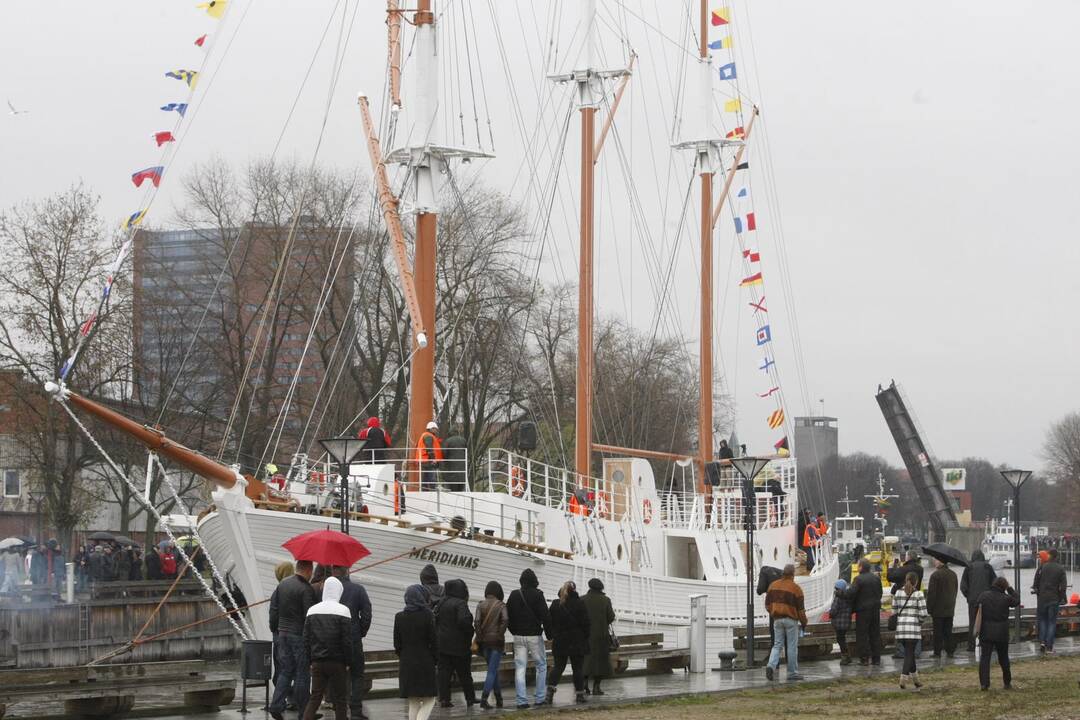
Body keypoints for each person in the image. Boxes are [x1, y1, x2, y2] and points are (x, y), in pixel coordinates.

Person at [268, 559, 316, 720]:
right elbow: (308, 617)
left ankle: (276, 705)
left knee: (285, 671)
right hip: (299, 635)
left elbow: (275, 611)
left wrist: (275, 629)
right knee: (303, 674)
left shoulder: (283, 585)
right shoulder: (306, 588)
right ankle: (305, 712)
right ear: (308, 570)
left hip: (282, 634)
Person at [302, 576, 352, 720]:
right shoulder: (344, 611)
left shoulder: (312, 610)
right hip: (338, 662)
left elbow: (306, 640)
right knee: (340, 699)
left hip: (317, 661)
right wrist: (348, 662)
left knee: (315, 697)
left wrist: (310, 661)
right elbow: (346, 641)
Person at [332, 566, 372, 720]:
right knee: (357, 675)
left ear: (333, 572)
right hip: (353, 638)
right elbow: (367, 612)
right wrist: (361, 631)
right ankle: (356, 709)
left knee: (337, 675)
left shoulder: (328, 591)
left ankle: (338, 708)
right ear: (347, 571)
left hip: (334, 640)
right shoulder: (358, 589)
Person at [506, 568, 550, 708]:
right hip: (534, 636)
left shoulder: (514, 595)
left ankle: (521, 701)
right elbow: (546, 616)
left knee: (520, 668)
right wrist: (549, 634)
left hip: (518, 637)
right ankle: (539, 698)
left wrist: (514, 631)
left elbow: (508, 617)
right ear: (534, 581)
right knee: (541, 666)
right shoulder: (538, 595)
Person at [394, 584, 439, 720]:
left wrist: (404, 657)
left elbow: (397, 644)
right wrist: (434, 660)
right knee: (429, 700)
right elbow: (434, 641)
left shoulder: (399, 617)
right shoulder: (428, 615)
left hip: (407, 663)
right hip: (425, 663)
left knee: (413, 702)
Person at [546, 581, 590, 705]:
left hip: (560, 641)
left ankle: (549, 695)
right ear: (575, 591)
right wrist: (584, 637)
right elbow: (586, 624)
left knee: (558, 667)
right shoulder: (580, 604)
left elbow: (549, 623)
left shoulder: (555, 604)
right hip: (577, 641)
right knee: (577, 669)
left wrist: (553, 635)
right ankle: (580, 696)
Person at [435, 579, 476, 708]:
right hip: (459, 646)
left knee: (444, 674)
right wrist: (470, 632)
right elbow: (464, 620)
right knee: (464, 673)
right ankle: (470, 698)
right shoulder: (460, 603)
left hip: (442, 645)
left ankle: (444, 699)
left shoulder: (441, 602)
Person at [975, 576, 1020, 691]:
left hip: (986, 631)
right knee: (1003, 658)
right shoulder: (1006, 598)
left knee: (985, 658)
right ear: (1004, 586)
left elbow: (976, 607)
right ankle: (1007, 682)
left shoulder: (983, 596)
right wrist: (1010, 588)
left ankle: (984, 684)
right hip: (1002, 632)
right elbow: (1017, 600)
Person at [764, 564, 808, 681]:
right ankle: (792, 673)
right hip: (791, 620)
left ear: (782, 573)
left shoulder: (773, 586)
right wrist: (804, 623)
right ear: (793, 575)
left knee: (777, 645)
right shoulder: (796, 589)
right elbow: (801, 611)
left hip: (777, 619)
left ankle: (770, 666)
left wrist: (774, 612)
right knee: (792, 647)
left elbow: (767, 605)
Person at [474, 581, 508, 709]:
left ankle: (499, 699)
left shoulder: (480, 605)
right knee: (492, 671)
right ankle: (484, 699)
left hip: (484, 643)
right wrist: (499, 635)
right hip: (496, 643)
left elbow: (477, 621)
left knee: (493, 670)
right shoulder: (501, 605)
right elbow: (505, 620)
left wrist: (480, 636)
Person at [887, 550, 924, 660]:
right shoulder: (920, 569)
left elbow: (891, 577)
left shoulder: (903, 570)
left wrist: (892, 567)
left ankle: (901, 651)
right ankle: (916, 652)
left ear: (908, 558)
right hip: (915, 598)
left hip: (903, 600)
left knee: (901, 628)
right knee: (916, 628)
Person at [894, 571, 927, 689]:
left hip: (901, 630)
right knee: (909, 654)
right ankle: (903, 678)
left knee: (910, 654)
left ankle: (916, 680)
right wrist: (919, 622)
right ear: (916, 582)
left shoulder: (897, 593)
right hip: (912, 630)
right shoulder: (919, 595)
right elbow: (924, 614)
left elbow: (894, 612)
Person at [582, 578, 615, 696]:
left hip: (585, 636)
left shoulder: (582, 599)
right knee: (600, 662)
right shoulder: (605, 600)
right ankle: (596, 687)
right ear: (601, 587)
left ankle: (584, 684)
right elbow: (611, 617)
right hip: (601, 636)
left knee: (585, 661)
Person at [846, 558, 883, 665]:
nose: (857, 567)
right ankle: (876, 659)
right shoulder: (876, 578)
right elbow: (880, 593)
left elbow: (851, 593)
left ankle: (864, 659)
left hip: (863, 611)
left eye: (858, 565)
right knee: (875, 634)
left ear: (861, 567)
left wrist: (840, 593)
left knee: (862, 635)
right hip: (875, 610)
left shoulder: (858, 579)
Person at [270, 561, 296, 713]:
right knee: (296, 671)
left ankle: (279, 702)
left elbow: (273, 616)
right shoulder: (300, 588)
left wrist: (275, 630)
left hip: (280, 635)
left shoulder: (278, 591)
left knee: (281, 671)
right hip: (296, 633)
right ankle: (295, 700)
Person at [1031, 548, 1067, 654]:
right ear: (1057, 557)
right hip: (1054, 599)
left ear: (1049, 555)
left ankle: (1042, 642)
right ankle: (1049, 647)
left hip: (1042, 599)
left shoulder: (1042, 567)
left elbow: (1035, 583)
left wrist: (1039, 592)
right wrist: (1060, 598)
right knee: (1051, 622)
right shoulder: (1061, 569)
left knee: (1042, 621)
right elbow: (1063, 587)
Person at [960, 549, 996, 652]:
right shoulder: (988, 567)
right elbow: (995, 583)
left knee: (972, 622)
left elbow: (963, 586)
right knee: (986, 621)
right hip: (986, 600)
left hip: (973, 601)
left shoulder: (968, 567)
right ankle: (985, 643)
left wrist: (968, 596)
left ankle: (971, 646)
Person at [925, 558, 958, 658]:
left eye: (935, 560)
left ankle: (937, 652)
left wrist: (929, 608)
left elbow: (931, 594)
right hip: (950, 608)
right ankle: (950, 651)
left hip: (938, 609)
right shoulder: (953, 574)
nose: (934, 562)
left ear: (940, 562)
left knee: (938, 632)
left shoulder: (935, 575)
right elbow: (956, 590)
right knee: (948, 631)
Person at [830, 579, 854, 665]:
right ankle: (847, 656)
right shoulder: (849, 597)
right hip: (846, 622)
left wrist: (830, 614)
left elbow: (833, 610)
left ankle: (845, 657)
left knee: (840, 640)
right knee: (842, 639)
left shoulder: (838, 597)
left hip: (839, 622)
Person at [416, 421, 444, 491]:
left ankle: (425, 490)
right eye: (435, 429)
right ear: (431, 429)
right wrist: (433, 459)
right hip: (428, 460)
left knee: (425, 478)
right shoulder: (428, 436)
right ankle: (432, 491)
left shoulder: (425, 435)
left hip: (424, 460)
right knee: (432, 478)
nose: (436, 430)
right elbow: (429, 448)